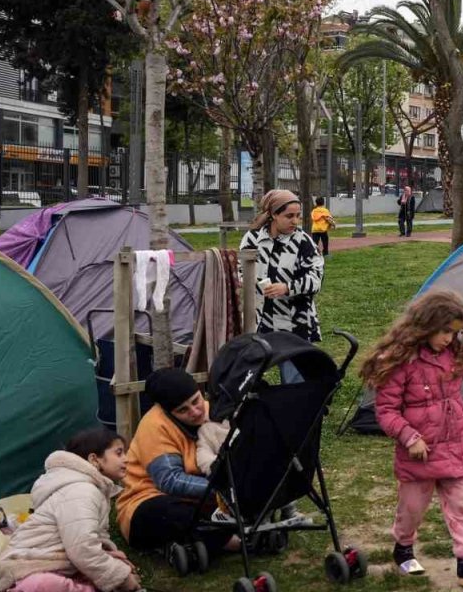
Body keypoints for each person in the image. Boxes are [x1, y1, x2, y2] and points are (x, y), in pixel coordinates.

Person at [358, 290, 463, 589]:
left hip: (456, 446)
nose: (449, 338)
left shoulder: (454, 354)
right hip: (420, 453)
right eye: (445, 331)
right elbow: (387, 409)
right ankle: (403, 548)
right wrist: (409, 437)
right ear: (428, 324)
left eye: (455, 332)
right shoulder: (401, 360)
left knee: (462, 507)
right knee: (412, 509)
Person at [0, 429, 139, 592]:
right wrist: (121, 578)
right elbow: (83, 549)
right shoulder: (80, 491)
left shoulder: (90, 489)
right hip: (25, 570)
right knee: (42, 584)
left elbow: (90, 538)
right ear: (94, 459)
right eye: (119, 453)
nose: (126, 459)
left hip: (60, 564)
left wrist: (111, 557)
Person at [116, 369, 240, 560]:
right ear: (168, 411)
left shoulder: (211, 410)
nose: (195, 411)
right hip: (148, 501)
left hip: (202, 499)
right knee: (172, 512)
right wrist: (223, 488)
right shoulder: (154, 426)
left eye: (196, 400)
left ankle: (206, 540)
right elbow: (169, 481)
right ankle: (232, 541)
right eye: (183, 410)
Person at [240, 189, 323, 384]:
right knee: (248, 377)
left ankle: (297, 410)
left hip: (293, 323)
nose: (295, 221)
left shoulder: (304, 242)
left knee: (295, 379)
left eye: (298, 216)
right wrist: (248, 282)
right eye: (289, 216)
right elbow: (240, 269)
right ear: (273, 215)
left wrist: (287, 288)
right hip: (259, 319)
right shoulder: (252, 239)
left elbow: (316, 279)